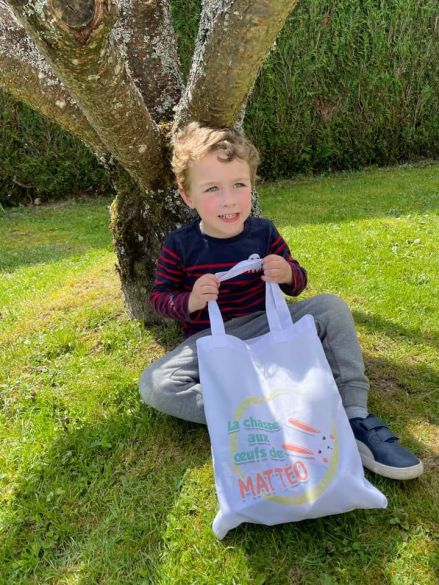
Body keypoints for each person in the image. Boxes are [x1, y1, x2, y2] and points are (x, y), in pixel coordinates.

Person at [139, 122, 423, 481]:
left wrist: (287, 272)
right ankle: (259, 416)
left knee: (331, 307)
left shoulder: (263, 231)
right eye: (212, 189)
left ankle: (354, 415)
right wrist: (191, 300)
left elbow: (297, 283)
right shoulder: (178, 245)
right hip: (213, 341)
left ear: (251, 186)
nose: (228, 200)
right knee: (156, 384)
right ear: (187, 196)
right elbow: (160, 299)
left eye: (239, 185)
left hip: (270, 325)